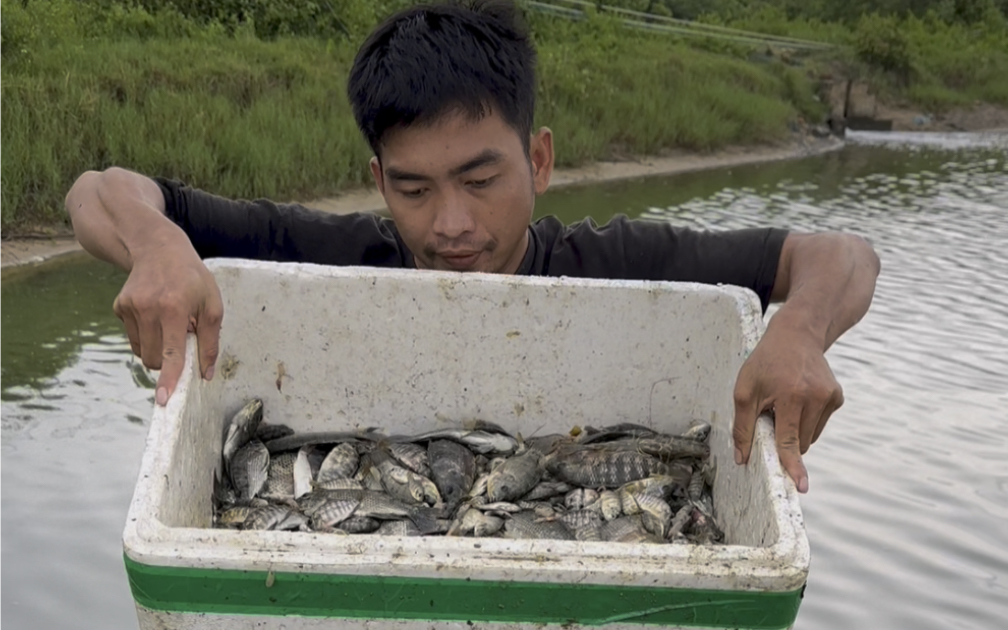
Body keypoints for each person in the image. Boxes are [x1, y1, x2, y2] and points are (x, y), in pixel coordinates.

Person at [64, 0, 879, 493]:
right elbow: (98, 189)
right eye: (414, 189)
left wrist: (799, 331)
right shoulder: (328, 254)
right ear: (379, 181)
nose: (450, 224)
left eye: (481, 179)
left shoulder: (620, 264)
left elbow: (840, 254)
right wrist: (156, 241)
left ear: (541, 161)